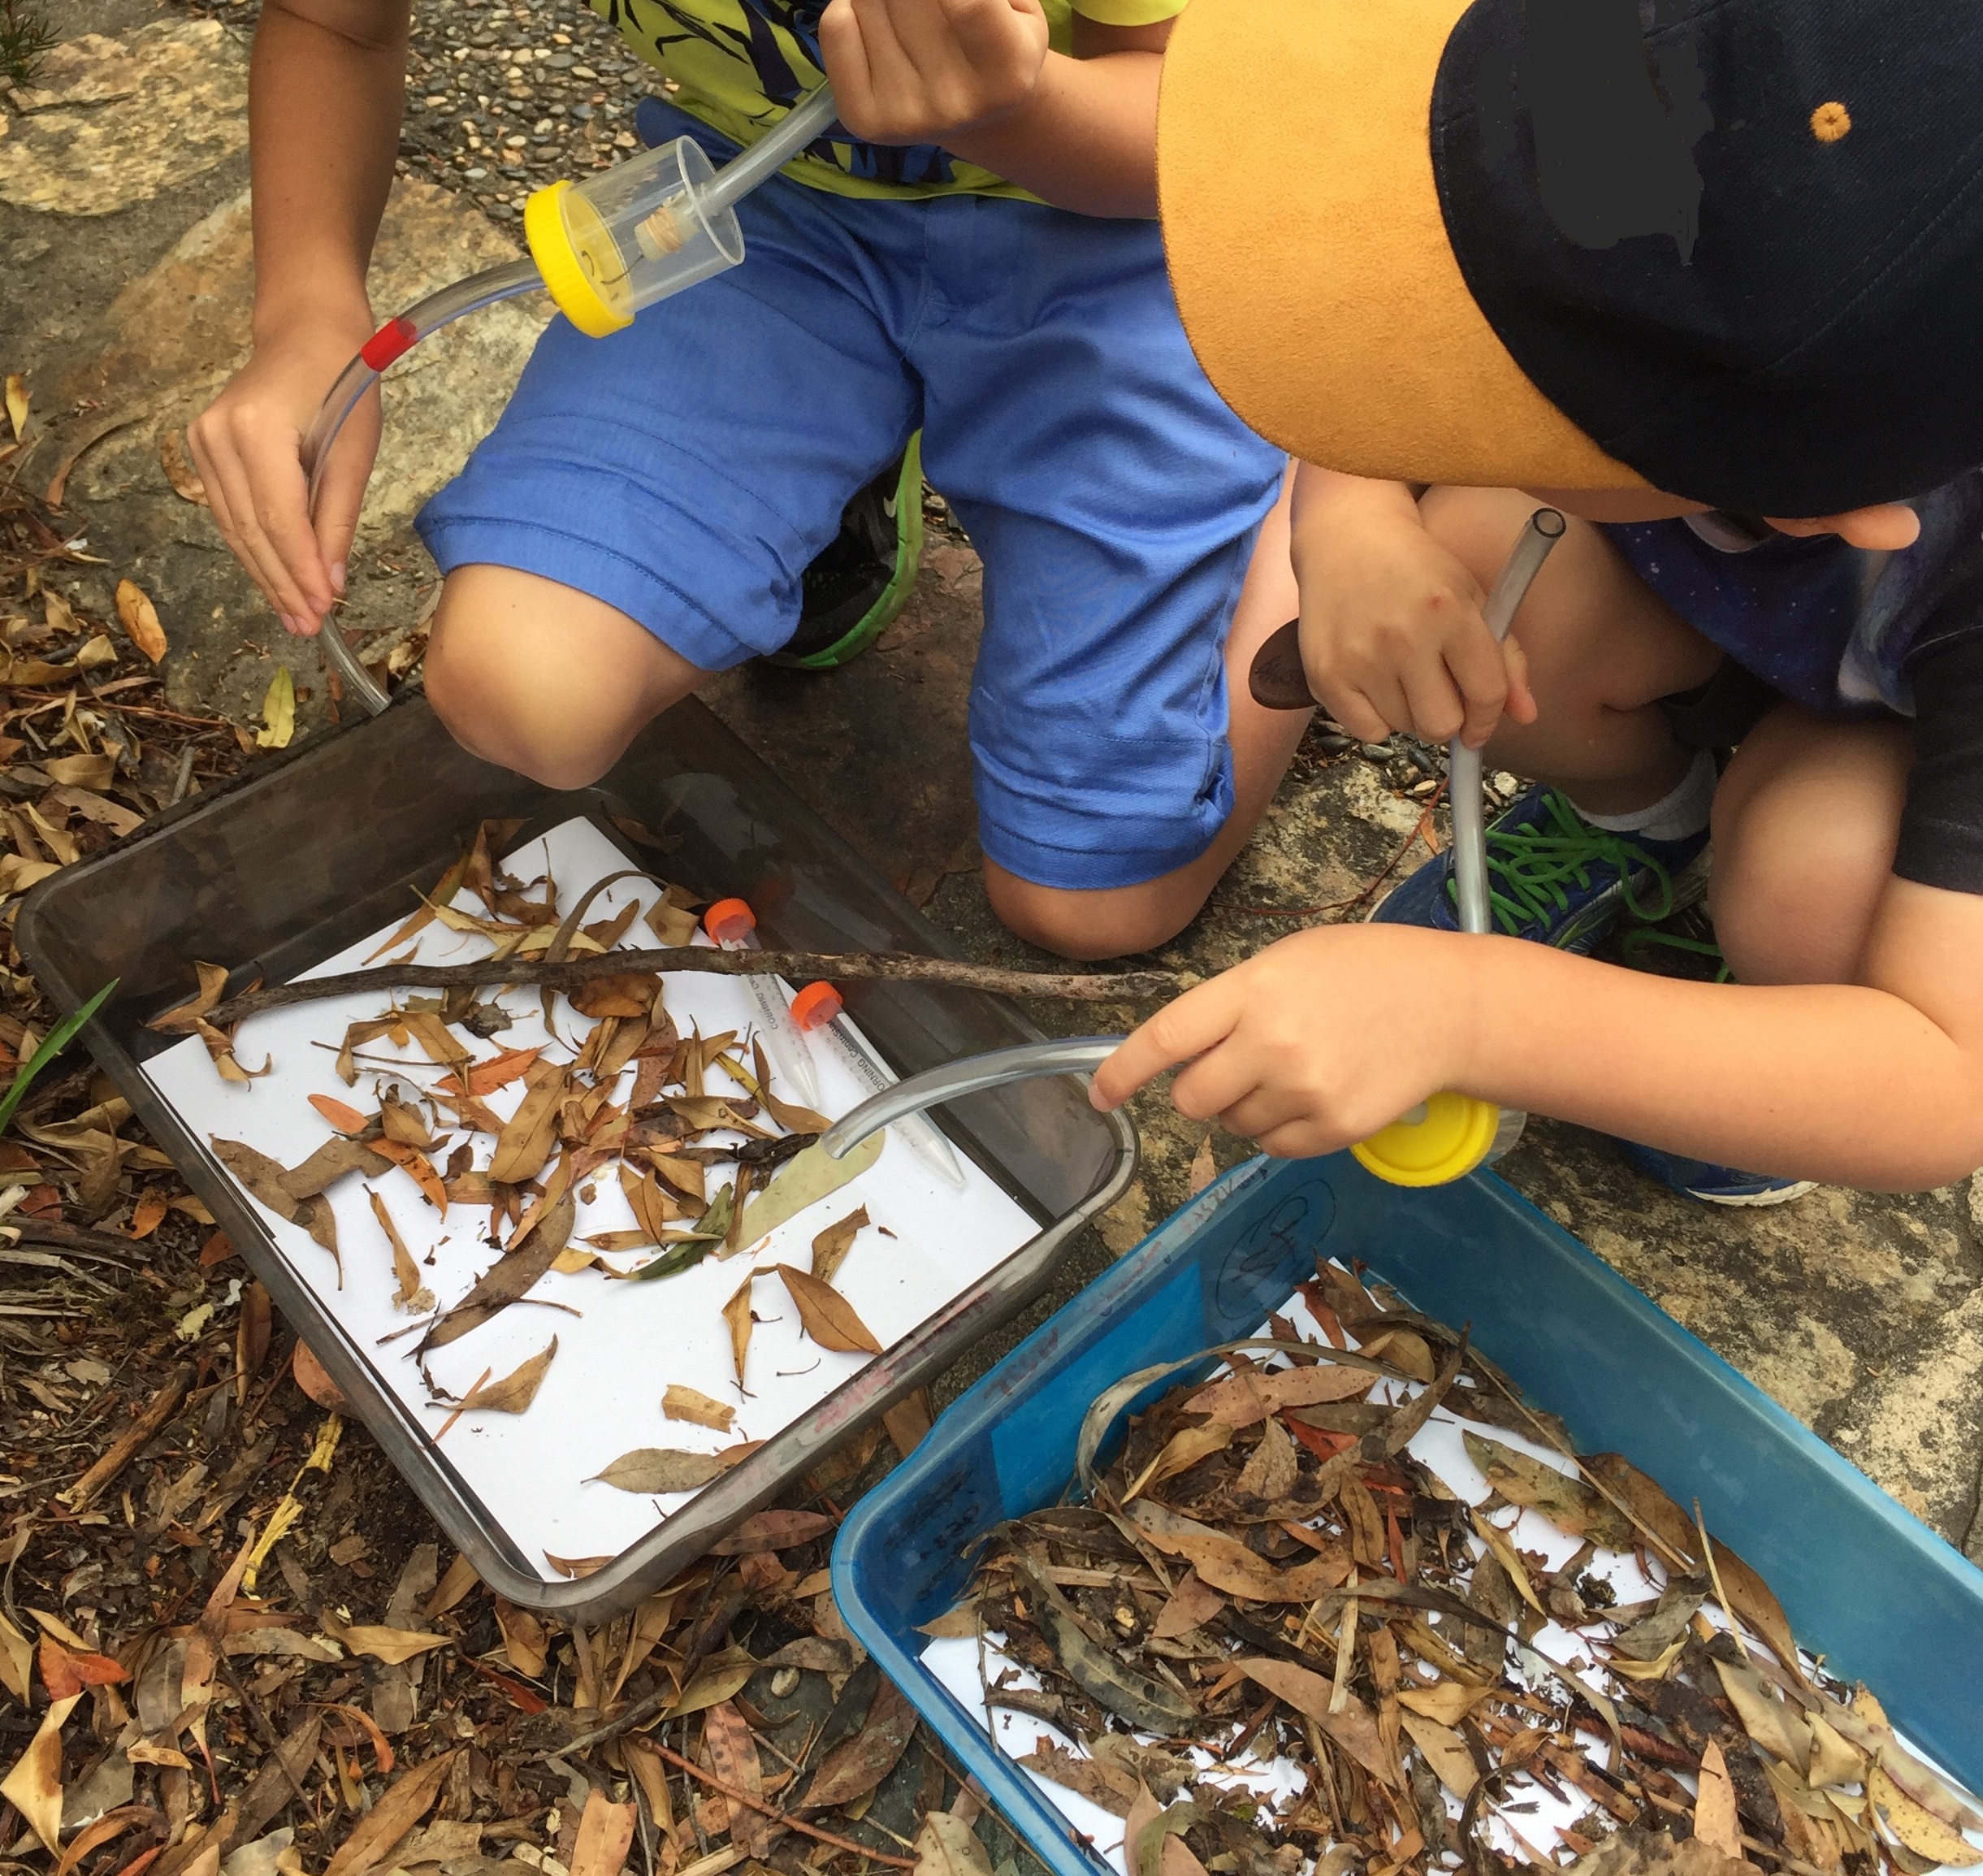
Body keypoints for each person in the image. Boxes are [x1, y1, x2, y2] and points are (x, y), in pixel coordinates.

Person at [186, 0, 1304, 962]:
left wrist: (1009, 105)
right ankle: (841, 455)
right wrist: (303, 316)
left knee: (1095, 900)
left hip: (1120, 235)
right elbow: (334, 23)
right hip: (766, 206)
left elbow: (1204, 124)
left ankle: (1312, 463)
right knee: (520, 691)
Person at [1093, 0, 1983, 1199]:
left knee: (1806, 888)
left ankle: (1758, 1025)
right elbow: (1413, 200)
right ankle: (1651, 829)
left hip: (1914, 743)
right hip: (1766, 596)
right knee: (1466, 575)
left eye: (1500, 386)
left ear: (1823, 502)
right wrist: (1347, 508)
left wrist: (1475, 1013)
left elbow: (1945, 1080)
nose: (1439, 375)